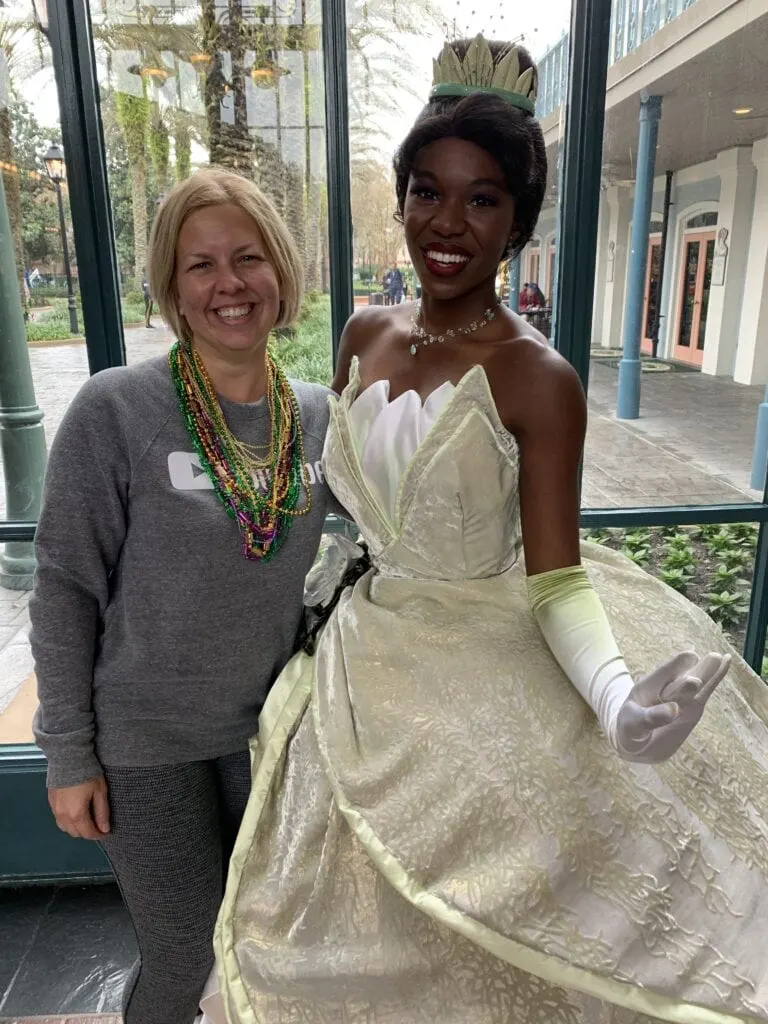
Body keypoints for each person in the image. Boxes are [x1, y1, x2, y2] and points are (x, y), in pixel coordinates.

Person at [208, 37, 768, 1024]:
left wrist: (616, 698)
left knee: (492, 959)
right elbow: (342, 506)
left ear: (518, 219)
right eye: (429, 190)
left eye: (482, 198)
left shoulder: (538, 379)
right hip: (358, 679)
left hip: (482, 689)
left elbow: (556, 582)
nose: (448, 223)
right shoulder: (362, 333)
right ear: (403, 199)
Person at [29, 167, 343, 1024]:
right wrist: (69, 754)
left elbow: (386, 539)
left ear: (280, 272)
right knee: (184, 954)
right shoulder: (116, 408)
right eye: (199, 266)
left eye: (247, 258)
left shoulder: (319, 417)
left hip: (268, 737)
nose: (228, 284)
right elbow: (63, 589)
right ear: (171, 286)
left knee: (263, 942)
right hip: (144, 744)